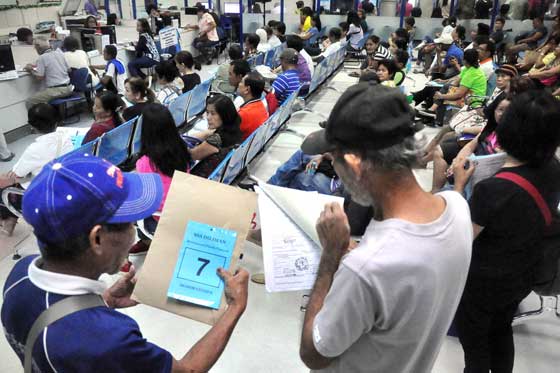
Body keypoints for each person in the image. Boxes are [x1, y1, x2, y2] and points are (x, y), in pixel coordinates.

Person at [1, 152, 250, 372]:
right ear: (97, 239)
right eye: (131, 223)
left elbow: (54, 331)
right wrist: (235, 308)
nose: (133, 233)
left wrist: (105, 300)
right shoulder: (107, 340)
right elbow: (188, 370)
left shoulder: (19, 274)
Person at [298, 83, 472, 372]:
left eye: (335, 157)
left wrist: (330, 258)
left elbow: (313, 353)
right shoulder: (457, 208)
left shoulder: (366, 268)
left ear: (354, 163)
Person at [451, 90, 560, 373]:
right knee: (501, 332)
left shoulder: (494, 189)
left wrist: (459, 187)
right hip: (523, 271)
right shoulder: (552, 168)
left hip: (483, 281)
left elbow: (461, 239)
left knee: (475, 347)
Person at [128, 103, 192, 257]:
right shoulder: (182, 149)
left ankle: (143, 244)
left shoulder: (145, 162)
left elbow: (146, 198)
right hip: (182, 210)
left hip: (161, 218)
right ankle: (146, 242)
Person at [0, 104, 73, 236]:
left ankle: (7, 222)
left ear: (32, 126)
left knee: (4, 186)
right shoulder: (66, 139)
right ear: (56, 121)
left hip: (43, 194)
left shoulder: (34, 149)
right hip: (63, 187)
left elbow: (14, 175)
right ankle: (9, 220)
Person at [189, 94, 243, 177]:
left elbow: (193, 155)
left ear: (224, 115)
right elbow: (206, 134)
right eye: (207, 112)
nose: (208, 117)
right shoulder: (233, 129)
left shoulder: (216, 139)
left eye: (213, 114)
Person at [24, 39, 72, 110]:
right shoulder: (60, 53)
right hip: (69, 88)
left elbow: (39, 78)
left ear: (38, 47)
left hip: (57, 90)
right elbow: (69, 70)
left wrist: (30, 69)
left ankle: (39, 120)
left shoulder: (42, 58)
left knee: (29, 101)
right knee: (44, 95)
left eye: (35, 48)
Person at [237, 71, 269, 140]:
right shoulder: (261, 105)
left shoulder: (244, 114)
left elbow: (227, 134)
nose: (239, 84)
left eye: (241, 82)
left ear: (247, 89)